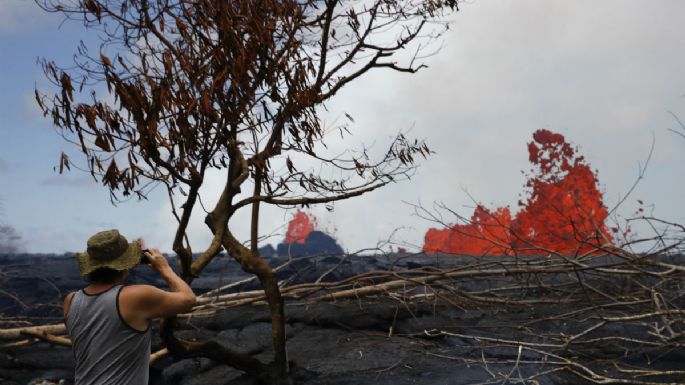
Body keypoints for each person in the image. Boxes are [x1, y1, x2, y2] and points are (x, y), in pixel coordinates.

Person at [63, 229, 196, 385]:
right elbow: (188, 299)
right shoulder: (136, 296)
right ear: (124, 266)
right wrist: (164, 269)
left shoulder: (71, 300)